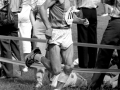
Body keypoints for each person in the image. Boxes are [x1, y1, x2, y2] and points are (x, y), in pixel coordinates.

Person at [25, 0, 89, 89]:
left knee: (69, 66)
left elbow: (69, 16)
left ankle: (57, 89)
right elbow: (42, 8)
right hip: (56, 33)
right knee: (56, 70)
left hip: (67, 33)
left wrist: (81, 21)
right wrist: (48, 27)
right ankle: (36, 56)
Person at [88, 0, 120, 89]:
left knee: (103, 56)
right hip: (116, 23)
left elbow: (107, 2)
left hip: (116, 24)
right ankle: (95, 86)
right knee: (104, 55)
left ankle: (94, 86)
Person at [0, 0, 22, 78]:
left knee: (5, 45)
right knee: (15, 44)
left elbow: (5, 2)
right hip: (15, 16)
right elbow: (20, 5)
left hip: (5, 15)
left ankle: (8, 73)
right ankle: (19, 70)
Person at [77, 0, 99, 68]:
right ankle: (92, 63)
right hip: (93, 11)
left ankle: (83, 64)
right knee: (93, 37)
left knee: (82, 37)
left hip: (84, 10)